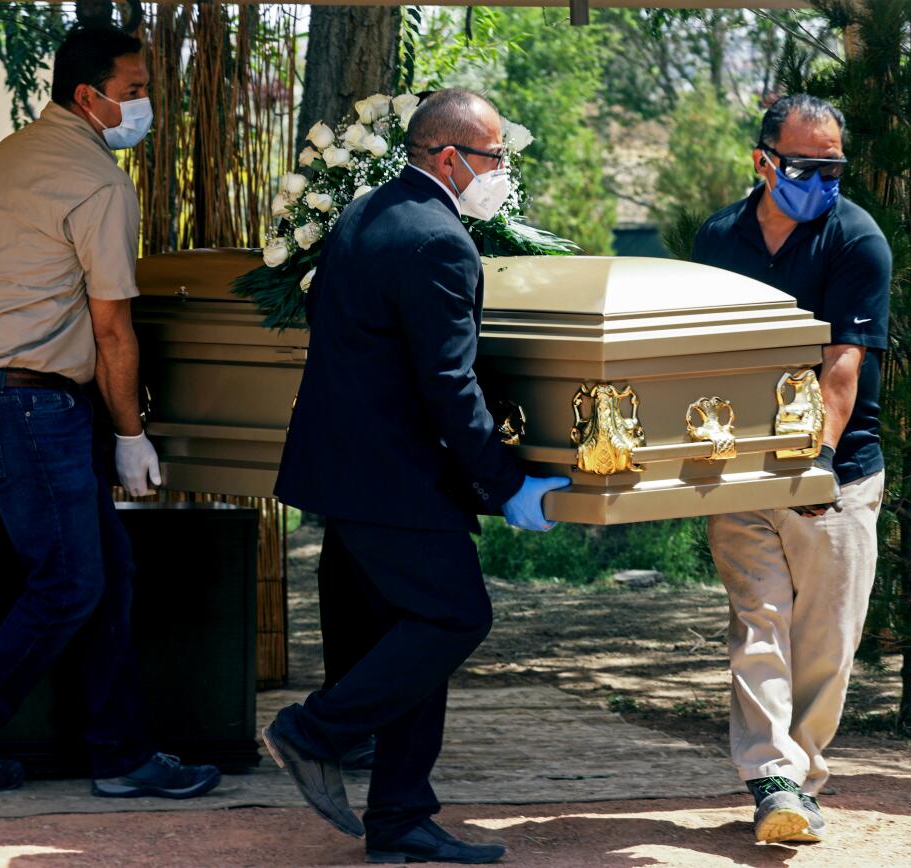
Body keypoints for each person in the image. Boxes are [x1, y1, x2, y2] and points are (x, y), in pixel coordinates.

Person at [0, 25, 220, 800]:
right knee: (73, 582)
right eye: (135, 91)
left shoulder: (13, 151)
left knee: (107, 573)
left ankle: (120, 756)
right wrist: (130, 435)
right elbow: (113, 327)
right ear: (89, 97)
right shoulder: (99, 183)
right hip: (26, 403)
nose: (146, 103)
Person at [266, 88, 570, 865]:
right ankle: (313, 731)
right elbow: (449, 383)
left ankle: (400, 814)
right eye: (496, 157)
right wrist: (504, 483)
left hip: (345, 471)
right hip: (396, 478)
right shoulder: (439, 240)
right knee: (453, 618)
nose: (503, 171)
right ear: (448, 157)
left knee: (408, 632)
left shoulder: (366, 212)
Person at [691, 93, 891, 844]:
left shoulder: (856, 239)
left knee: (826, 642)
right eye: (806, 165)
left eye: (833, 167)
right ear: (763, 161)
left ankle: (800, 773)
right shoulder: (718, 237)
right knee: (758, 622)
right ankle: (774, 781)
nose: (822, 180)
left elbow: (842, 365)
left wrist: (814, 465)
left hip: (836, 472)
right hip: (738, 469)